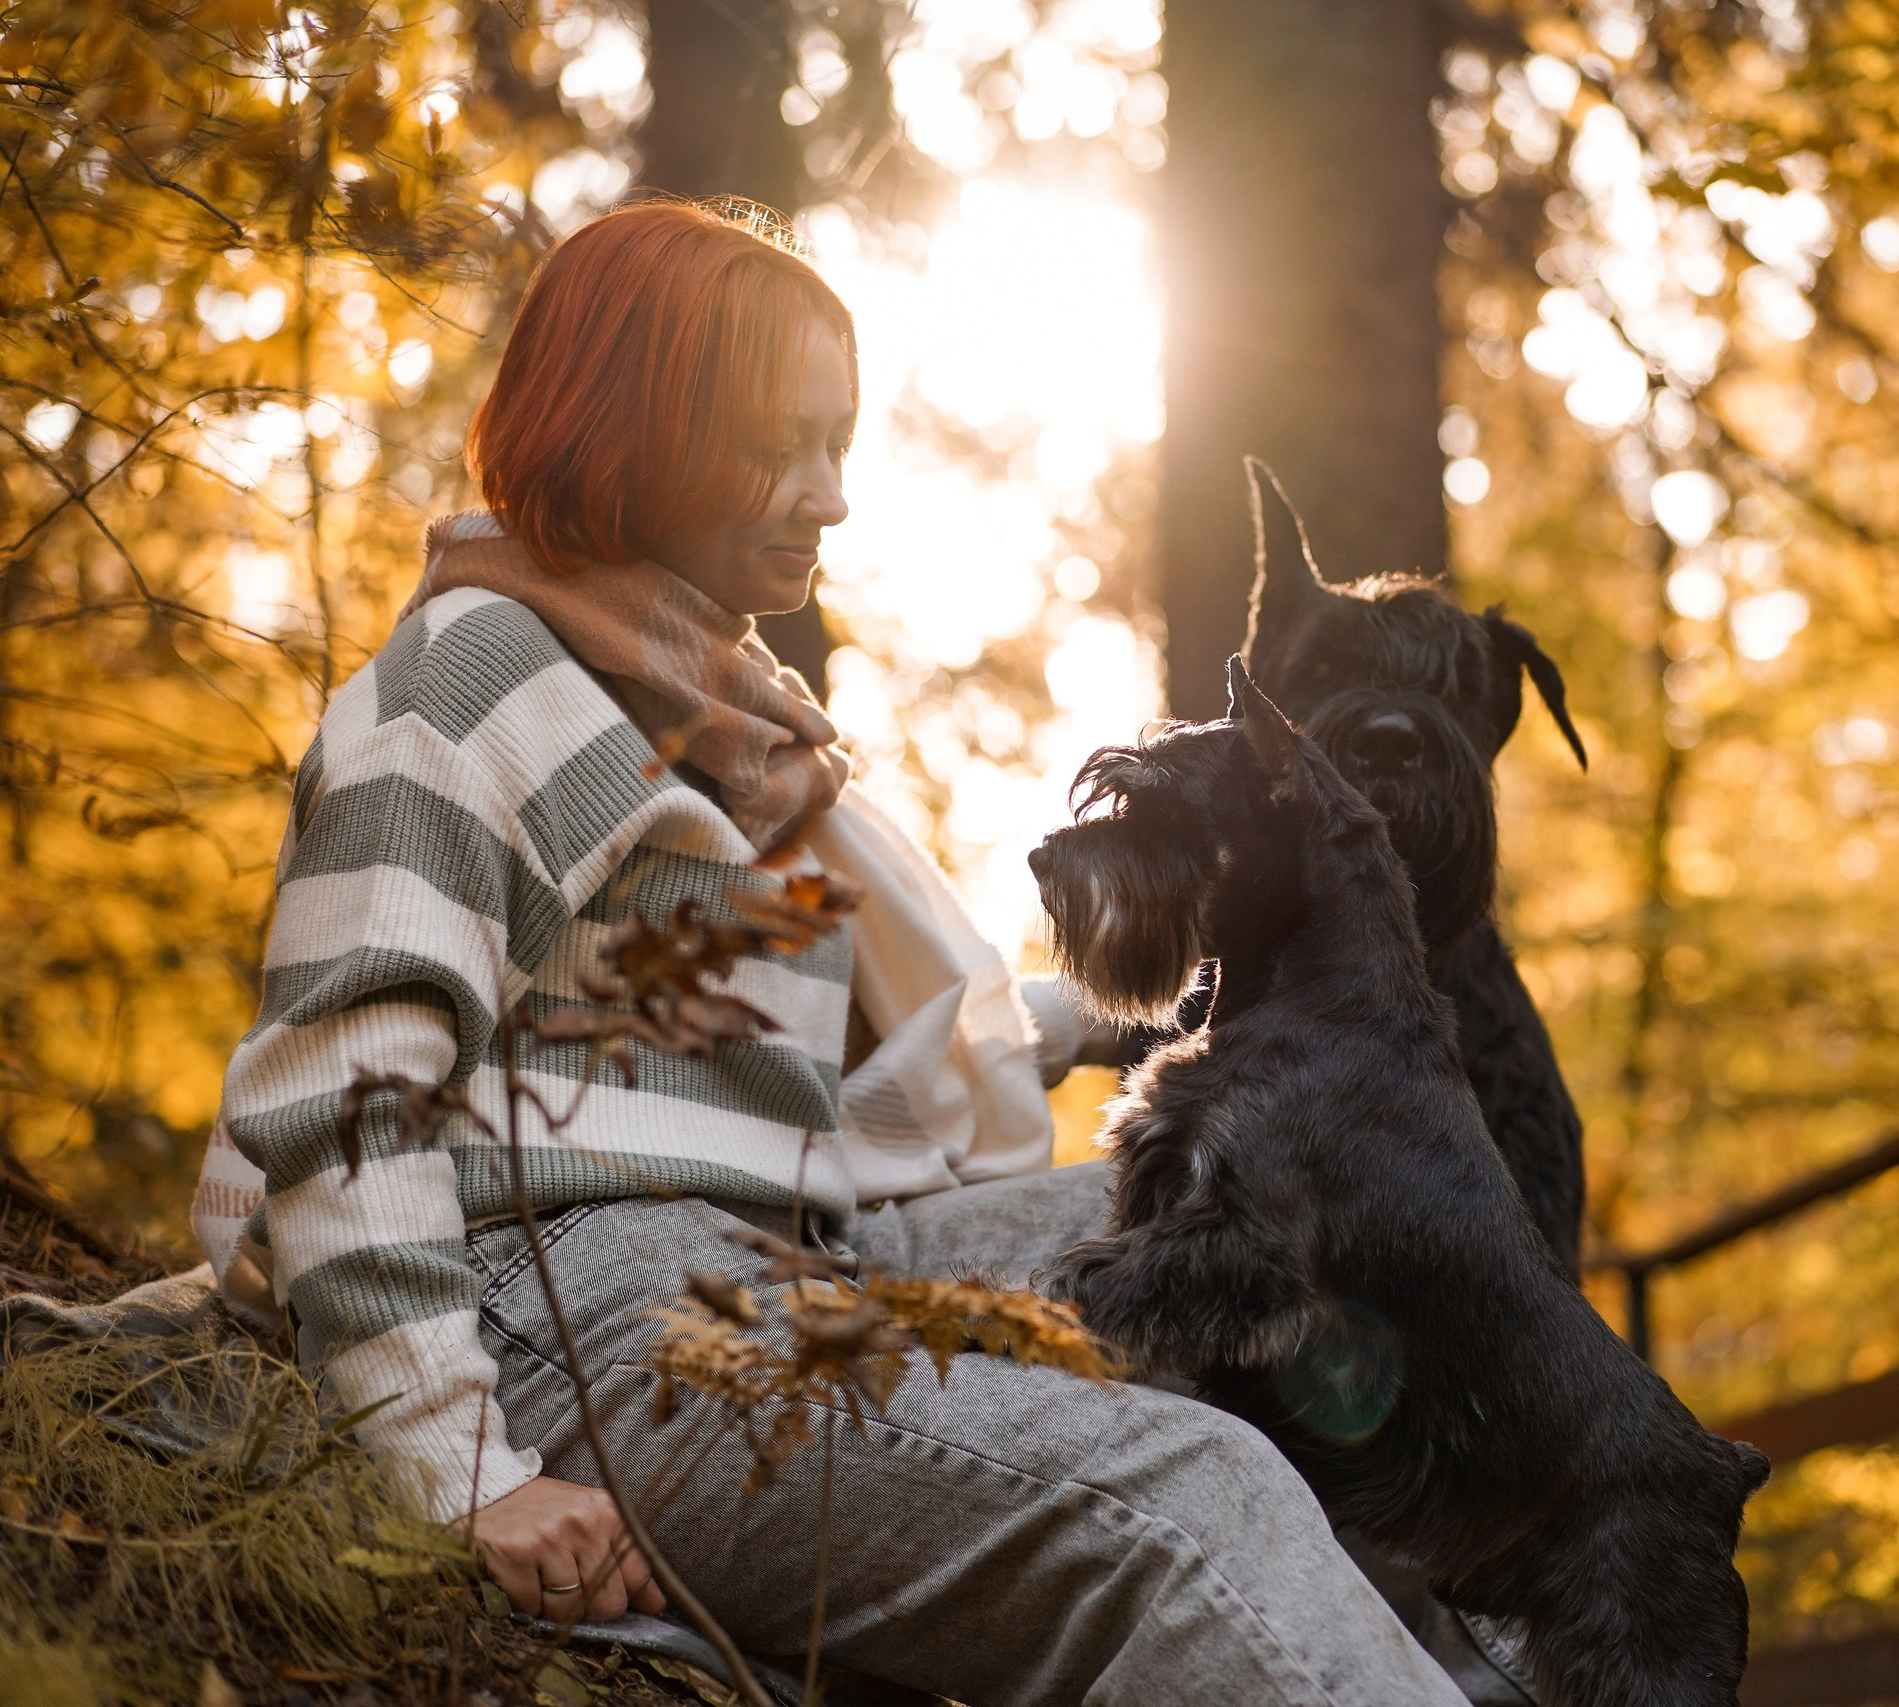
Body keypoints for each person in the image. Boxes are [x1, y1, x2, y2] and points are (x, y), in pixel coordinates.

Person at [198, 199, 1474, 1707]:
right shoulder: (470, 683)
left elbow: (778, 1100)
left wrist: (1164, 1020)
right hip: (572, 1321)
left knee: (1305, 1217)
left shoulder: (712, 726)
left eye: (841, 447)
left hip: (780, 1264)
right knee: (1190, 1498)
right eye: (780, 445)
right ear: (633, 425)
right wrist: (463, 1472)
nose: (830, 498)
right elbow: (350, 1095)